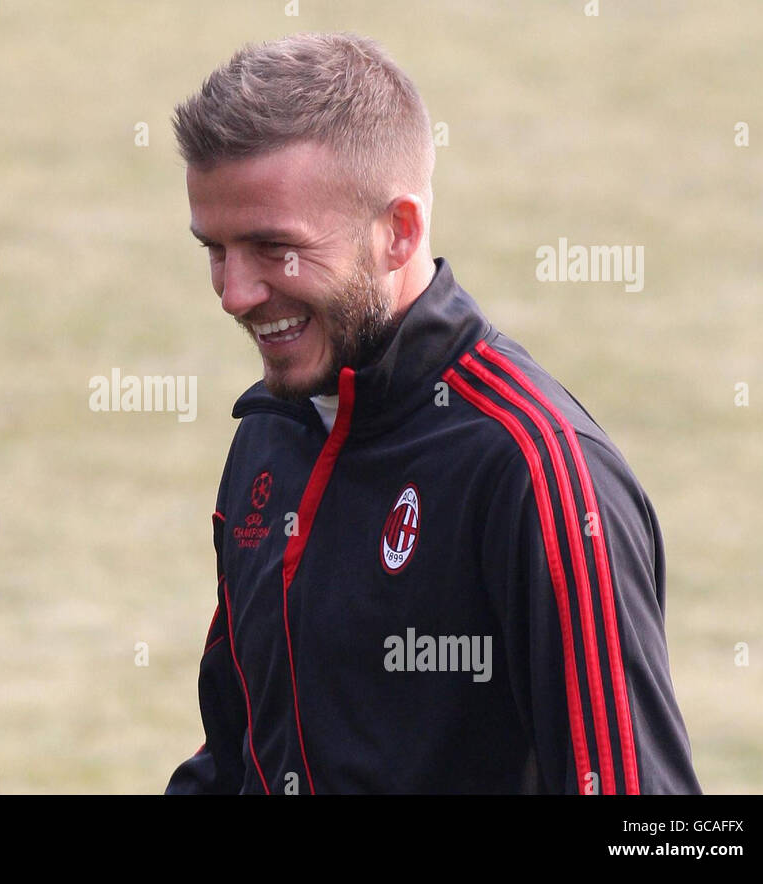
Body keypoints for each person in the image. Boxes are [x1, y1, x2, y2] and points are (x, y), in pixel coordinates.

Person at [165, 32, 700, 794]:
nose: (234, 293)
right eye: (215, 249)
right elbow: (241, 751)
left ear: (401, 231)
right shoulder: (271, 433)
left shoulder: (535, 472)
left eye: (273, 248)